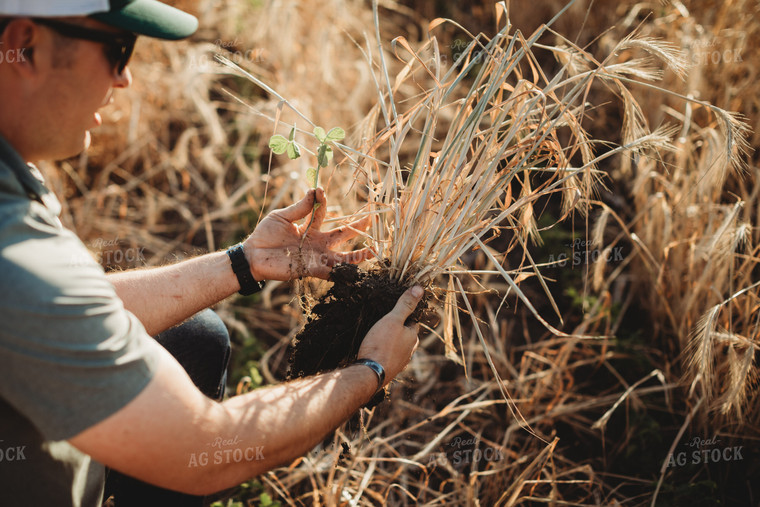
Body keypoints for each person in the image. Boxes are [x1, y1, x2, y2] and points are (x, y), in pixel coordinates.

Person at [0, 1, 423, 506]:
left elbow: (55, 312)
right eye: (118, 49)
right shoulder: (13, 250)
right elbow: (204, 449)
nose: (126, 79)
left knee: (194, 338)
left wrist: (243, 262)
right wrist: (371, 371)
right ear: (23, 46)